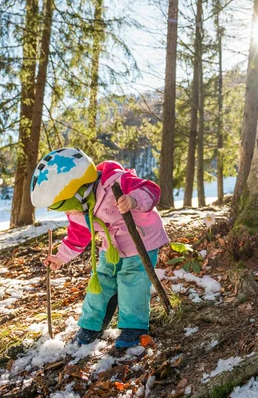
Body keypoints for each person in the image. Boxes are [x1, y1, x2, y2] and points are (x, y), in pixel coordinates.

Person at [30, 147, 169, 348]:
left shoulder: (116, 182)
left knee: (132, 280)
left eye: (64, 206)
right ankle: (91, 325)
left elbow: (151, 190)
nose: (67, 213)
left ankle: (133, 327)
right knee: (101, 280)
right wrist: (60, 257)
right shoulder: (80, 210)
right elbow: (78, 236)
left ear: (78, 193)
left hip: (142, 240)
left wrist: (133, 200)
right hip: (112, 247)